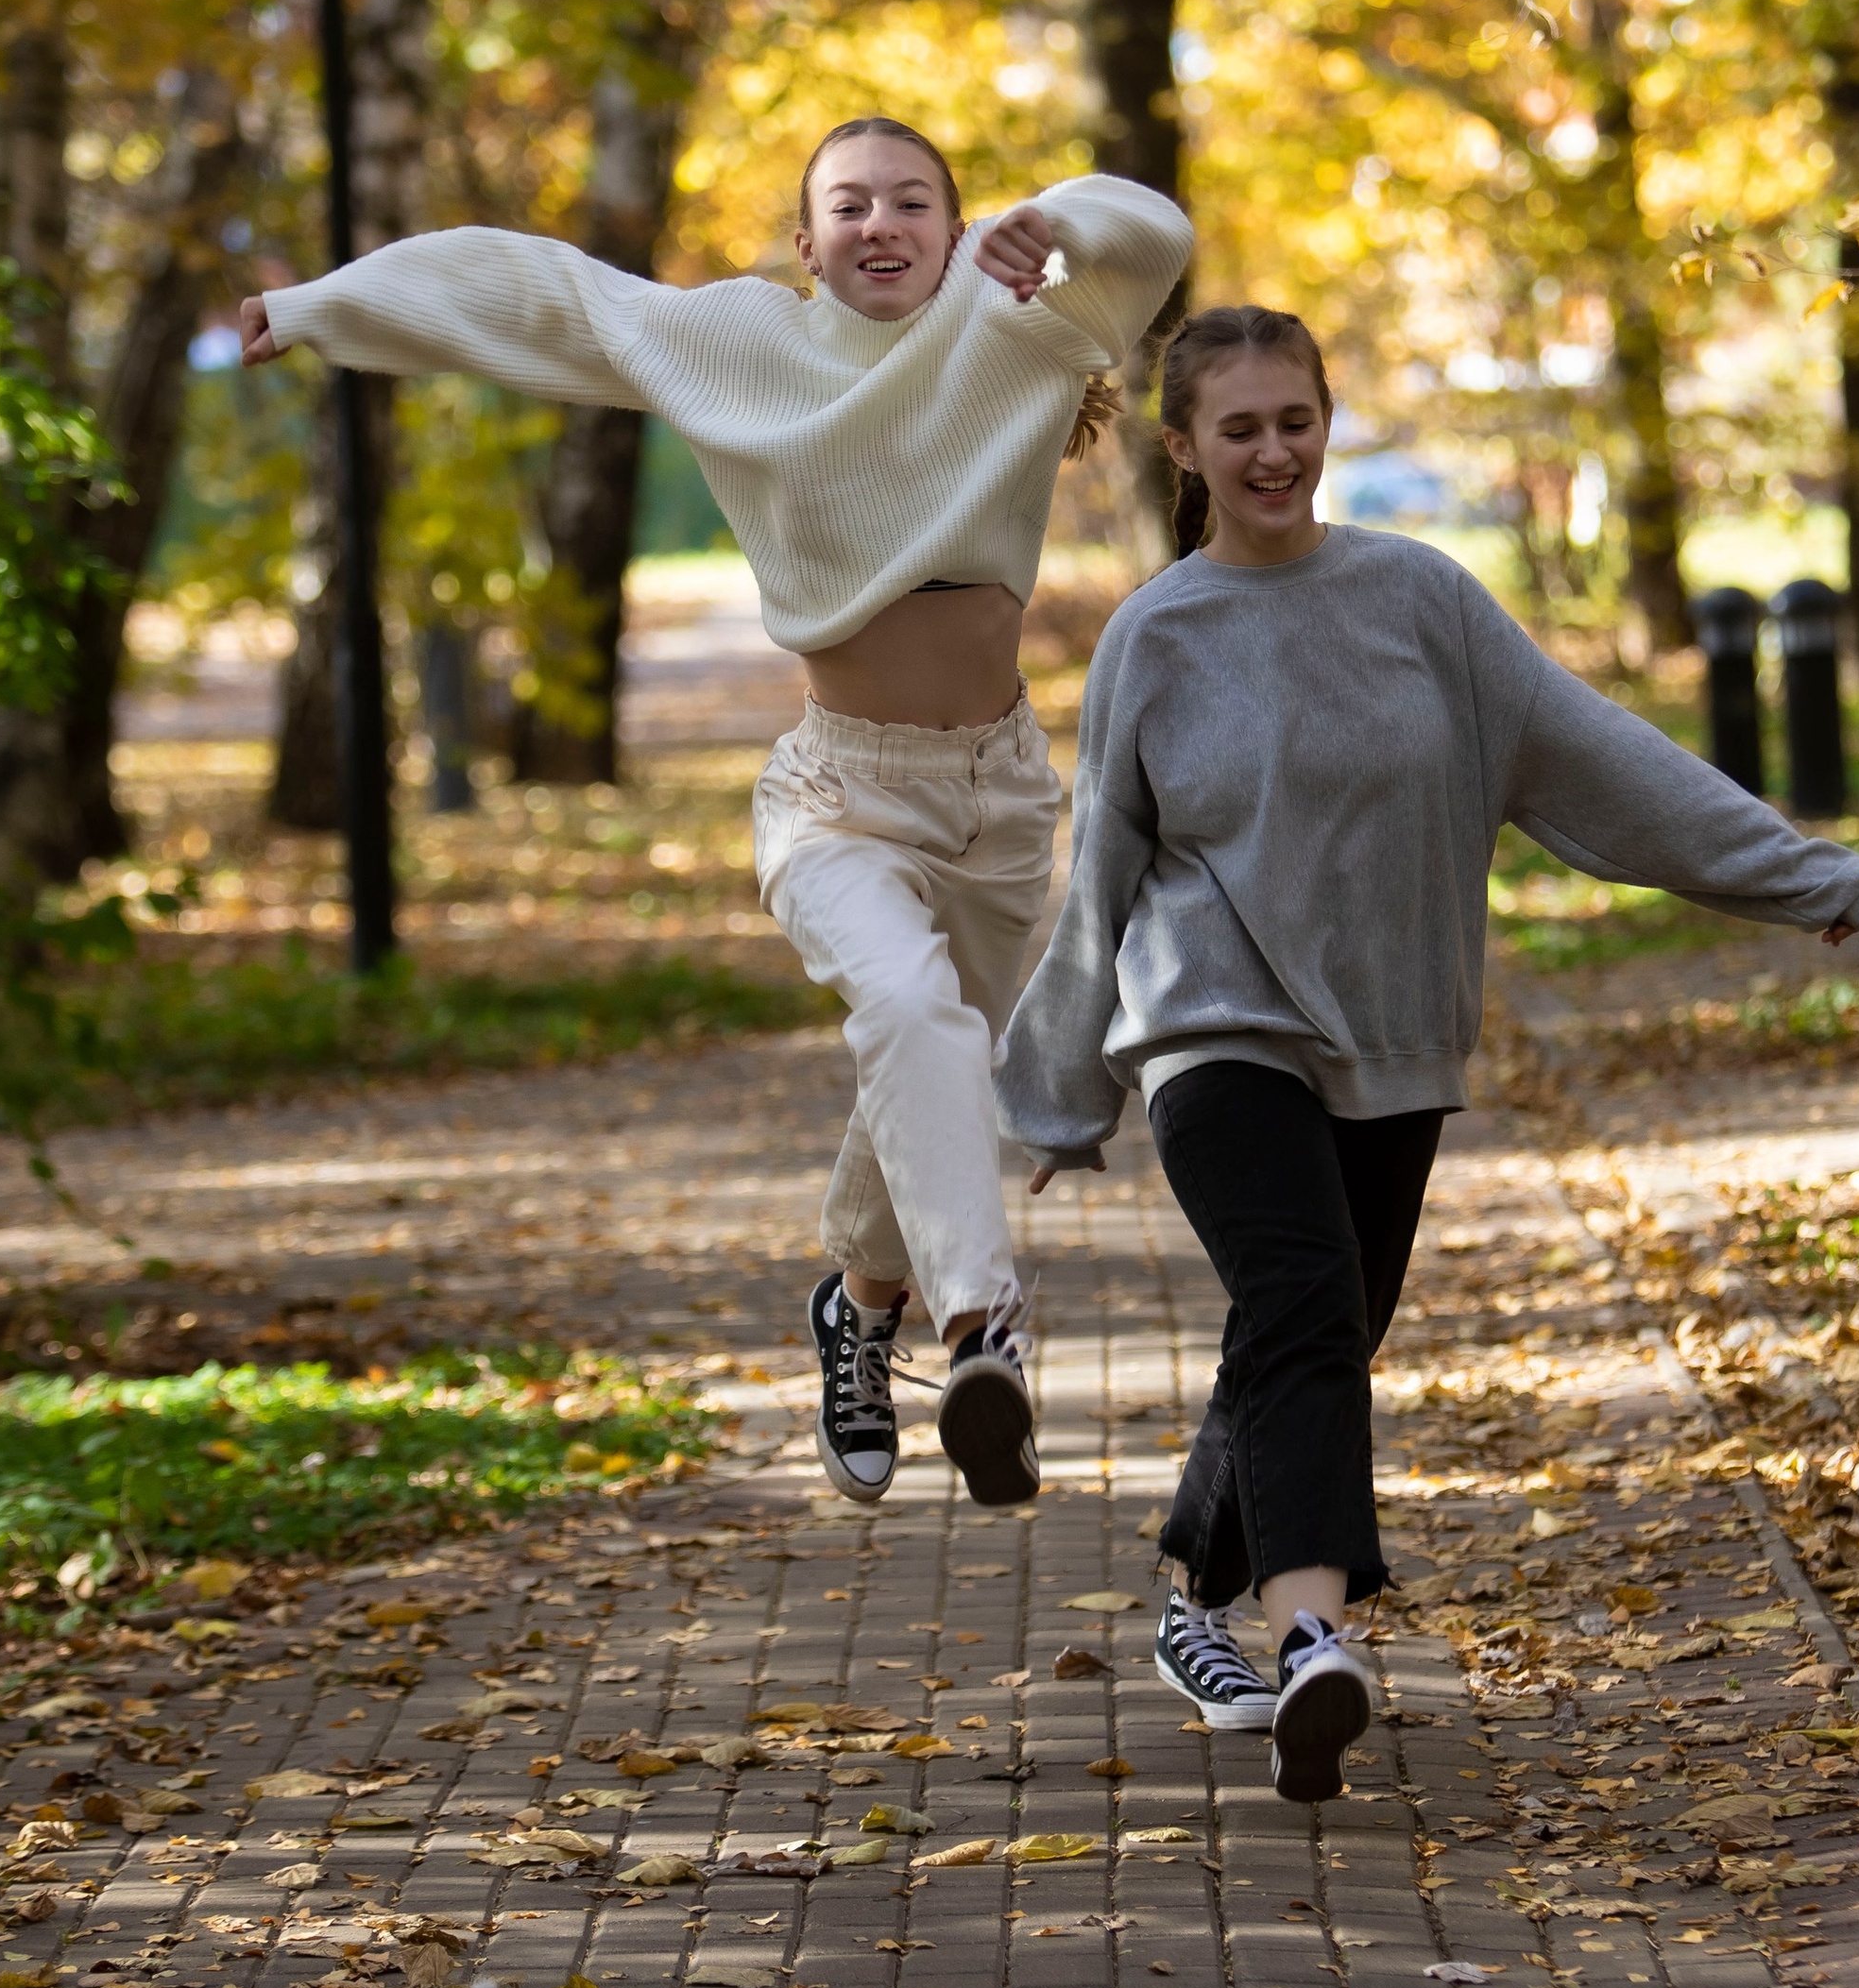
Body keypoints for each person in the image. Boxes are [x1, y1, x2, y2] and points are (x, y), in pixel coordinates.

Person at [996, 305, 1859, 1804]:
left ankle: (1193, 1600)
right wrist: (1061, 1083)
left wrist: (1799, 876)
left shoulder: (1422, 601)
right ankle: (1313, 1641)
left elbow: (1598, 754)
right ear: (1183, 448)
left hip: (1391, 1033)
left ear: (1326, 420)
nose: (1272, 452)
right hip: (1213, 1025)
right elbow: (1099, 877)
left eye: (1295, 420)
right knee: (1302, 1297)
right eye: (1238, 428)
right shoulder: (1158, 634)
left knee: (1320, 1325)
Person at [241, 121, 1191, 1511]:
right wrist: (322, 307)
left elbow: (1156, 236)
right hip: (837, 793)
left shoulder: (1019, 324)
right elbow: (543, 292)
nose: (881, 225)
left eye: (913, 203)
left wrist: (1057, 221)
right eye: (849, 206)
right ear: (807, 244)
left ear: (955, 227)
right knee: (911, 1018)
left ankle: (857, 1308)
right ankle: (984, 1330)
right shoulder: (742, 342)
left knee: (934, 1062)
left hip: (995, 795)